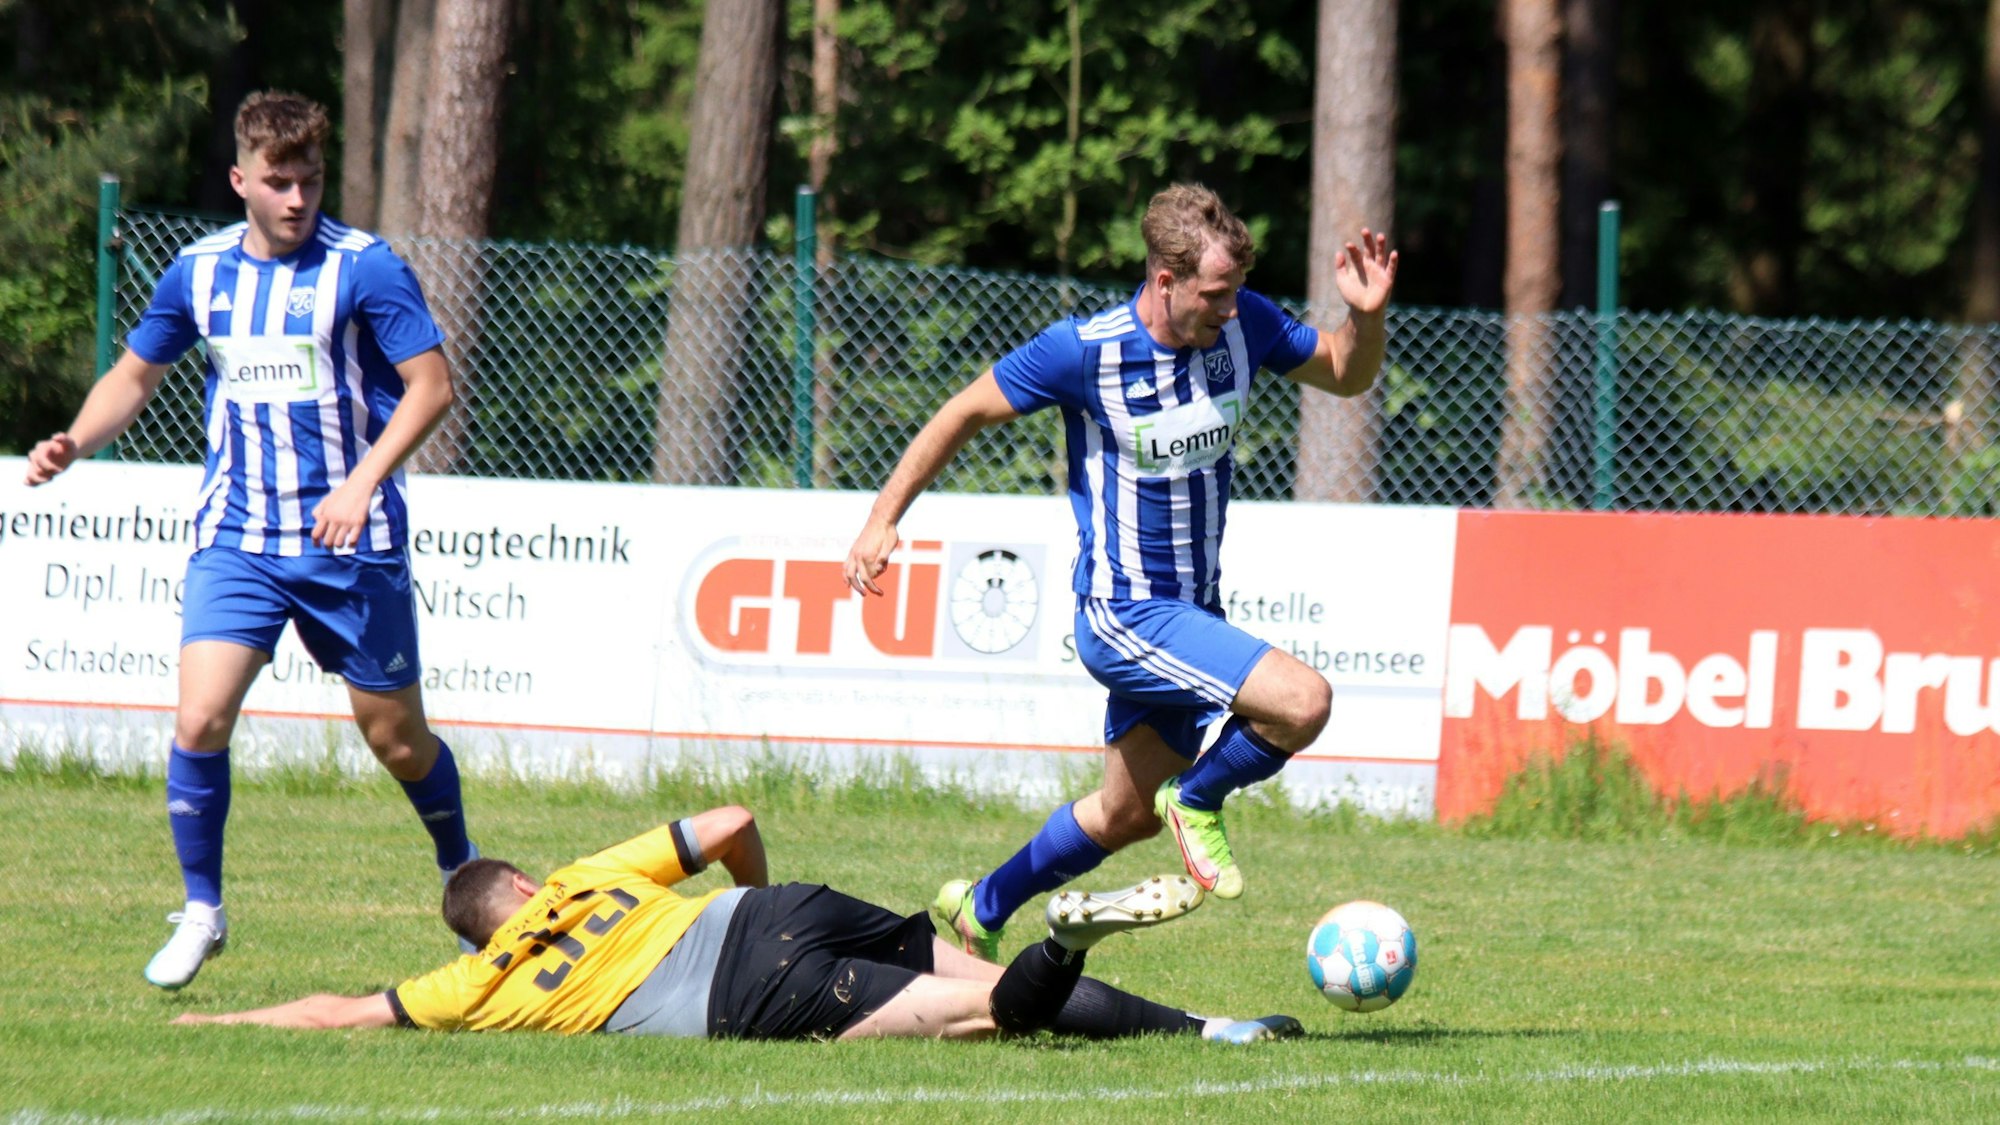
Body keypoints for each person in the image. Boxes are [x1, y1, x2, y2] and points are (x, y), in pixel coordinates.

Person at [843, 184, 1397, 960]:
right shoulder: (1085, 351)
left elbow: (1344, 370)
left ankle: (981, 906)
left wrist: (1365, 316)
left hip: (1192, 612)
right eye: (1215, 294)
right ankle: (1198, 799)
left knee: (1123, 815)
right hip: (1123, 612)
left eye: (1236, 292)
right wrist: (882, 519)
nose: (1230, 310)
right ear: (1164, 280)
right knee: (1303, 702)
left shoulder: (1246, 325)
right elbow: (961, 411)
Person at [23, 91, 476, 989]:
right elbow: (137, 371)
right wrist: (75, 439)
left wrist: (362, 481)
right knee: (199, 717)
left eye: (308, 179)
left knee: (396, 740)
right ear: (241, 181)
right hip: (238, 534)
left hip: (350, 540)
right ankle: (203, 910)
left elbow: (431, 386)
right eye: (278, 182)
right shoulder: (198, 272)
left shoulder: (367, 267)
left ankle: (462, 873)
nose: (297, 197)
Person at [171, 805, 1301, 1044]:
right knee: (975, 978)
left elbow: (342, 1010)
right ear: (520, 886)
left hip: (742, 995)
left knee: (981, 1017)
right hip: (767, 909)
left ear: (483, 931)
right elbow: (728, 819)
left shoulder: (473, 988)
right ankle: (1218, 1030)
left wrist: (218, 1022)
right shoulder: (583, 873)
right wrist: (761, 899)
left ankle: (1067, 940)